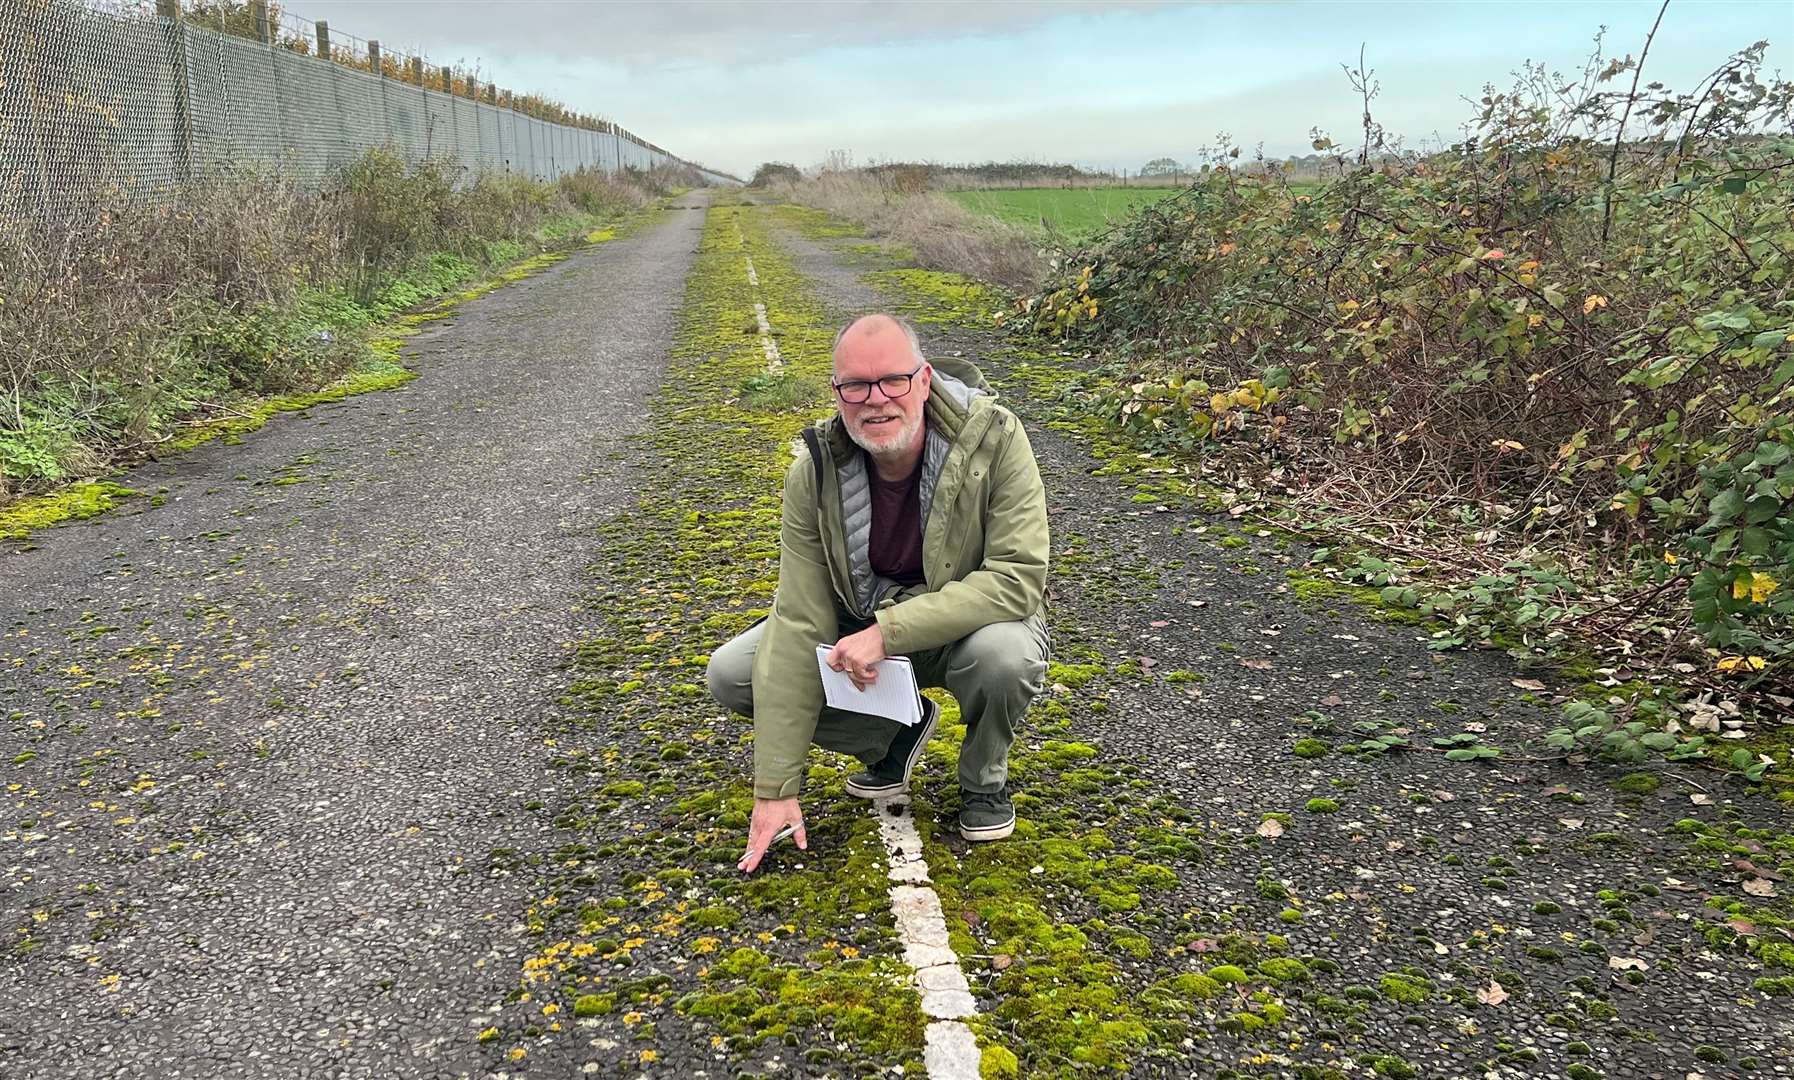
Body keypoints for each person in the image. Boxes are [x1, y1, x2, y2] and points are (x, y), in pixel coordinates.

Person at [706, 313, 1051, 873]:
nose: (876, 400)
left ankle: (984, 780)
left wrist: (889, 633)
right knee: (734, 672)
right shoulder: (814, 472)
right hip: (860, 620)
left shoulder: (996, 438)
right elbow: (799, 618)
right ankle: (894, 731)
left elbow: (1016, 577)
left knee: (1005, 658)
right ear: (837, 393)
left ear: (923, 379)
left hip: (968, 624)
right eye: (856, 386)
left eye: (893, 380)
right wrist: (775, 784)